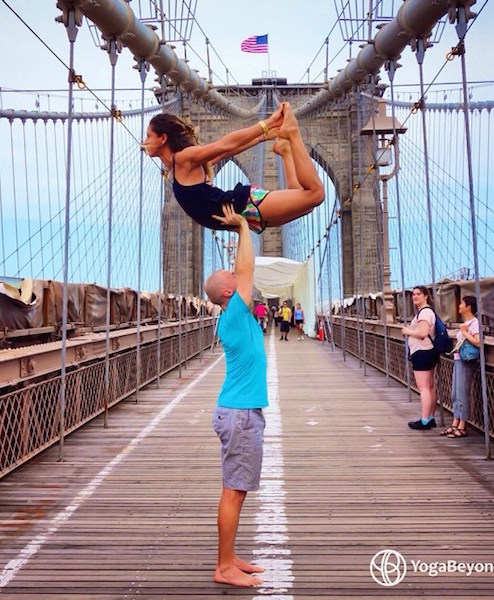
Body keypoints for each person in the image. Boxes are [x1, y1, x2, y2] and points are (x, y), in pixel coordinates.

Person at [203, 204, 267, 588]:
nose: (237, 274)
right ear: (229, 291)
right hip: (240, 415)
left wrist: (243, 228)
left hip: (240, 411)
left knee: (236, 490)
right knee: (233, 492)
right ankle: (223, 567)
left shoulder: (234, 316)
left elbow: (242, 271)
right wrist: (243, 225)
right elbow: (247, 271)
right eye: (232, 277)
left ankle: (230, 557)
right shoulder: (236, 313)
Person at [142, 102, 325, 234]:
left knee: (315, 195)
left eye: (149, 136)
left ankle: (292, 134)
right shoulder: (182, 167)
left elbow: (225, 146)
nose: (145, 141)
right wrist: (264, 136)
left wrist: (267, 125)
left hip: (244, 205)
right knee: (303, 201)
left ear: (163, 138)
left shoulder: (183, 159)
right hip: (243, 214)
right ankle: (285, 150)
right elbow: (226, 153)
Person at [440, 295, 481, 439]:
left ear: (469, 307)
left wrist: (463, 332)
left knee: (462, 392)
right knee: (455, 393)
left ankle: (462, 426)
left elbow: (478, 342)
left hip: (466, 360)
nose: (459, 306)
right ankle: (455, 422)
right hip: (459, 359)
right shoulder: (466, 322)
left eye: (462, 303)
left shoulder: (474, 323)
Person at [401, 285, 440, 430]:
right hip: (428, 351)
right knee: (429, 387)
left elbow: (423, 333)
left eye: (418, 294)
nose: (415, 297)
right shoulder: (427, 312)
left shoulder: (424, 313)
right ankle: (429, 417)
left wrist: (407, 331)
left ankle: (424, 420)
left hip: (422, 352)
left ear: (425, 296)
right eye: (413, 294)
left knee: (424, 387)